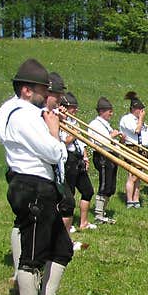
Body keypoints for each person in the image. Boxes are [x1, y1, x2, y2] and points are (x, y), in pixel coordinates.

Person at [0, 59, 71, 295]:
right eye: (42, 89)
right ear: (27, 90)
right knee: (32, 256)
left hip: (36, 186)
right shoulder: (25, 115)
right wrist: (54, 132)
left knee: (62, 250)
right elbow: (53, 153)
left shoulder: (10, 110)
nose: (46, 94)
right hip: (33, 187)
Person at [59, 92, 96, 233]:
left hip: (79, 158)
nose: (75, 110)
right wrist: (74, 133)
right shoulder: (61, 122)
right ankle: (68, 224)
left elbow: (82, 143)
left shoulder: (74, 122)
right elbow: (65, 140)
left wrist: (86, 158)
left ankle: (84, 222)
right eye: (73, 107)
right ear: (65, 107)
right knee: (70, 193)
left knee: (88, 191)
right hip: (68, 158)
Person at [88, 96, 122, 223]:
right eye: (109, 111)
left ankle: (103, 211)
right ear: (102, 111)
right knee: (104, 184)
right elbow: (96, 142)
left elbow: (112, 141)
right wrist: (111, 136)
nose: (111, 114)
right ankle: (98, 214)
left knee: (110, 186)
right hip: (102, 156)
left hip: (111, 155)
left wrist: (119, 140)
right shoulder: (94, 124)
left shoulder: (106, 124)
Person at [119, 91, 146, 207]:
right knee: (132, 175)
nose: (141, 112)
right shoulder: (127, 119)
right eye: (139, 109)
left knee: (138, 176)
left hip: (140, 147)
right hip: (132, 147)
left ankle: (136, 199)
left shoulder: (138, 120)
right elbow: (136, 130)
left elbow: (143, 132)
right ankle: (130, 200)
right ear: (134, 109)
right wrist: (141, 119)